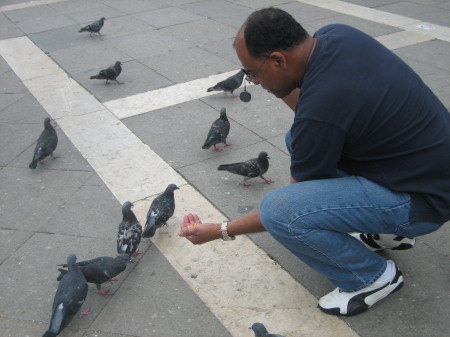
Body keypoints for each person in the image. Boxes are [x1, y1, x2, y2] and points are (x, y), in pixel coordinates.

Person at [178, 7, 450, 316]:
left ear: (279, 59)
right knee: (296, 140)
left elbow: (290, 208)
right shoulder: (337, 36)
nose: (252, 82)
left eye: (252, 72)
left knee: (280, 210)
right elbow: (313, 112)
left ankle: (370, 277)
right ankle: (384, 231)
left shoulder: (323, 107)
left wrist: (221, 229)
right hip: (428, 169)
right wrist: (277, 81)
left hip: (424, 205)